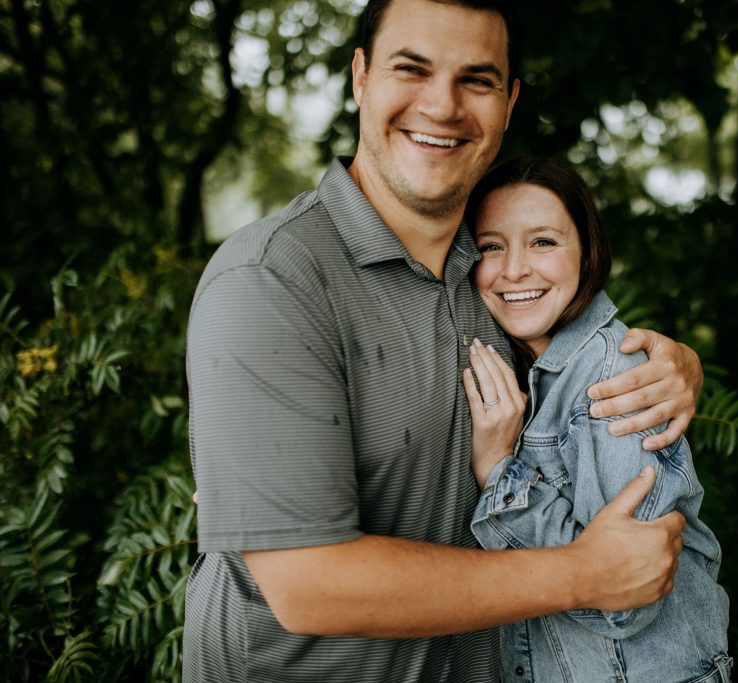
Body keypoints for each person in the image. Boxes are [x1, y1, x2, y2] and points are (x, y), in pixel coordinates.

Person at [183, 1, 703, 681]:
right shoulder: (272, 280)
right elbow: (309, 582)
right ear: (360, 75)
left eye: (476, 80)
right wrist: (583, 573)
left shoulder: (493, 274)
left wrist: (675, 363)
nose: (442, 106)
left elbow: (584, 373)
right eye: (412, 69)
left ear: (509, 103)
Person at [461, 155, 731, 682]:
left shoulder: (616, 375)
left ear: (587, 253)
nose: (514, 269)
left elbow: (623, 600)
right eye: (492, 246)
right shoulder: (520, 366)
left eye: (543, 242)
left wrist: (498, 474)